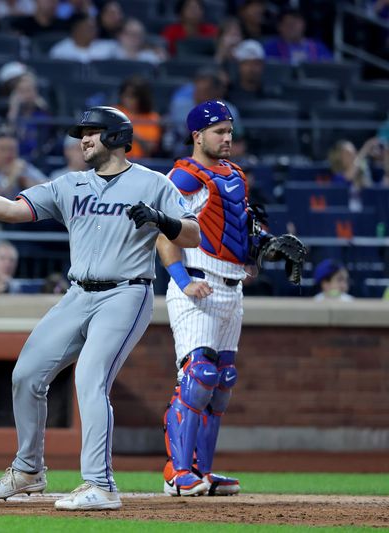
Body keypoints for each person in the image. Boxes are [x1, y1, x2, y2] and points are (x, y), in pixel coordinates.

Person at [0, 106, 201, 510]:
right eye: (81, 132)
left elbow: (193, 234)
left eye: (92, 132)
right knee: (26, 374)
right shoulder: (71, 185)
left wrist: (161, 220)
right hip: (78, 294)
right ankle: (29, 470)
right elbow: (14, 210)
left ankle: (100, 484)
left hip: (126, 293)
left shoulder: (153, 184)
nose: (82, 139)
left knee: (90, 376)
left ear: (117, 136)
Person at [156, 100, 306, 498]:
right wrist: (182, 279)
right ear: (197, 135)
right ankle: (177, 472)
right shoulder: (184, 177)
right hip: (198, 285)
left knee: (222, 381)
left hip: (230, 287)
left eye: (229, 130)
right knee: (198, 376)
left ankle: (202, 472)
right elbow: (164, 231)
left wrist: (263, 247)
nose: (227, 138)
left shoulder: (236, 176)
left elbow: (238, 231)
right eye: (219, 131)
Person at [0, 127, 48, 199]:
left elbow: (50, 192)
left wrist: (27, 183)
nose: (8, 154)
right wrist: (11, 178)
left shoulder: (24, 168)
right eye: (3, 149)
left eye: (12, 149)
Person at [262, 8, 332, 65]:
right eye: (289, 24)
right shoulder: (271, 48)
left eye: (296, 24)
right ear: (279, 27)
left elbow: (329, 68)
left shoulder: (318, 47)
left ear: (304, 25)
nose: (293, 28)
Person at [115, 76, 162, 159]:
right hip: (116, 160)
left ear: (142, 98)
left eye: (132, 96)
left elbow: (150, 149)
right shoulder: (114, 112)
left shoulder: (152, 118)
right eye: (125, 95)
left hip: (140, 163)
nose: (127, 99)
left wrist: (132, 134)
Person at [49, 14, 116, 63]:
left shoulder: (109, 48)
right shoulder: (60, 51)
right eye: (89, 28)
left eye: (94, 27)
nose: (94, 31)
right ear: (76, 30)